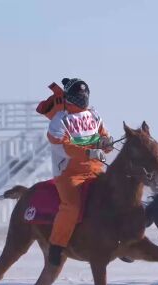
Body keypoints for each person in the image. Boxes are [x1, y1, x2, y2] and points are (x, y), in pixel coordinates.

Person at [36, 78, 113, 266]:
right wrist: (87, 151)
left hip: (97, 169)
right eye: (79, 95)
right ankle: (56, 245)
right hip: (69, 173)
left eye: (85, 94)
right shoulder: (59, 121)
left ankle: (122, 240)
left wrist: (106, 142)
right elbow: (62, 146)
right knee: (71, 206)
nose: (83, 98)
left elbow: (104, 137)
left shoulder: (94, 115)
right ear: (70, 97)